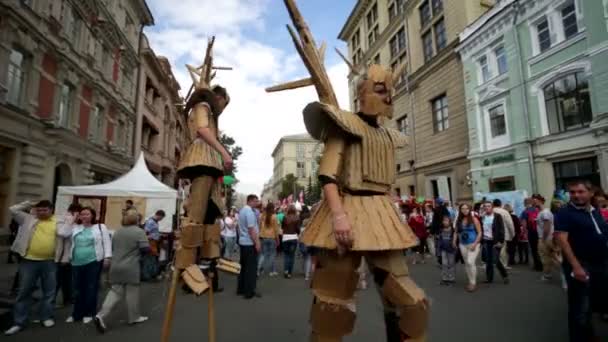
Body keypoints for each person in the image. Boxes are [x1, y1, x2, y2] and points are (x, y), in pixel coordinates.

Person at [268, 10, 427, 339]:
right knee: (333, 306)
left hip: (382, 217)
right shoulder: (344, 127)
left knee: (410, 303)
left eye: (389, 90)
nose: (388, 96)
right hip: (348, 214)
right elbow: (327, 176)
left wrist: (393, 209)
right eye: (380, 89)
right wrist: (339, 215)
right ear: (362, 94)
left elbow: (385, 185)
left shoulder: (387, 135)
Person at [555, 180, 608, 342]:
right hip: (581, 264)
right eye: (572, 192)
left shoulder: (594, 211)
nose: (576, 195)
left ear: (591, 193)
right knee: (580, 306)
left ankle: (589, 335)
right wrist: (576, 267)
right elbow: (562, 241)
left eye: (580, 192)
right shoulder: (565, 212)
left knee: (593, 303)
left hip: (600, 262)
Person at [5, 200, 62, 335]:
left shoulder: (58, 221)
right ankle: (19, 322)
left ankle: (46, 317)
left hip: (50, 262)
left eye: (44, 210)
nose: (41, 213)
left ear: (51, 210)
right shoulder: (27, 219)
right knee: (24, 291)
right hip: (29, 261)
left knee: (49, 292)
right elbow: (13, 209)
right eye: (39, 210)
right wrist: (29, 203)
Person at [95, 211, 150, 333]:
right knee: (132, 293)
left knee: (115, 292)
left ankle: (101, 315)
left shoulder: (117, 232)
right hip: (131, 267)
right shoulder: (139, 232)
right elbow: (145, 249)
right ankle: (134, 317)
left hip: (116, 266)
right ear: (136, 220)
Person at [64, 207, 111, 324]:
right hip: (76, 262)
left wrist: (107, 257)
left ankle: (89, 313)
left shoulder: (100, 227)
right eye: (82, 214)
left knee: (91, 287)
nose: (84, 216)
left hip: (93, 261)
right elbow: (63, 233)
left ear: (93, 216)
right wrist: (73, 219)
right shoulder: (75, 227)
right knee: (77, 288)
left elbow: (107, 242)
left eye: (87, 214)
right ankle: (76, 314)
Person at [55, 203, 81, 308]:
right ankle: (53, 300)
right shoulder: (64, 220)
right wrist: (71, 220)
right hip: (63, 257)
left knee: (68, 280)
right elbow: (63, 233)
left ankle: (68, 299)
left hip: (72, 258)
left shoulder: (76, 223)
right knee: (58, 280)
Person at [237, 195, 261, 299]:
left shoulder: (242, 211)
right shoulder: (250, 212)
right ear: (250, 201)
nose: (257, 203)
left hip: (243, 242)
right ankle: (249, 292)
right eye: (255, 201)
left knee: (243, 267)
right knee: (251, 269)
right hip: (249, 243)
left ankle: (241, 289)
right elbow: (251, 230)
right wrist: (257, 243)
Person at [455, 203, 482, 292]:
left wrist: (475, 243)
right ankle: (470, 281)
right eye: (463, 208)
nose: (465, 210)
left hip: (473, 244)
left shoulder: (474, 219)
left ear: (469, 209)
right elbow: (456, 231)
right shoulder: (459, 220)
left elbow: (480, 233)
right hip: (463, 244)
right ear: (460, 210)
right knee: (467, 263)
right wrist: (454, 241)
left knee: (470, 262)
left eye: (466, 208)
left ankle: (473, 282)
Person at [481, 201, 509, 284]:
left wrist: (501, 241)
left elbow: (501, 229)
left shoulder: (497, 216)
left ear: (492, 207)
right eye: (485, 206)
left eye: (488, 206)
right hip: (486, 241)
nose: (487, 208)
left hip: (495, 241)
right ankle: (489, 278)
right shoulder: (483, 217)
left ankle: (504, 275)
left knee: (495, 260)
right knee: (488, 260)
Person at [535, 196, 558, 281]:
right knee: (550, 257)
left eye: (535, 201)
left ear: (541, 201)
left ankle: (548, 274)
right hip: (547, 237)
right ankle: (548, 273)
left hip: (546, 238)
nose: (534, 203)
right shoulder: (542, 212)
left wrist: (543, 239)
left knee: (547, 257)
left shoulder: (545, 212)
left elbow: (547, 226)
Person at [258, 202, 280, 277]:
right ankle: (272, 271)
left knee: (263, 254)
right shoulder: (274, 216)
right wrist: (278, 239)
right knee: (272, 255)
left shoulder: (262, 216)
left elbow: (259, 226)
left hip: (263, 237)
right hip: (272, 237)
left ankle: (258, 269)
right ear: (273, 208)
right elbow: (276, 229)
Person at [492, 199, 515, 269]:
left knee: (492, 248)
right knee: (502, 250)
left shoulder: (490, 211)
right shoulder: (504, 212)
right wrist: (512, 234)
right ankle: (503, 265)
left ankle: (493, 262)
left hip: (491, 234)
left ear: (493, 204)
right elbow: (510, 224)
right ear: (500, 204)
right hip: (503, 234)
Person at [521, 196, 542, 271]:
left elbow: (524, 224)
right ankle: (542, 264)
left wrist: (525, 233)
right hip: (539, 231)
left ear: (525, 203)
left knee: (533, 249)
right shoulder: (537, 210)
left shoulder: (525, 212)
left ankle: (537, 266)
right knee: (539, 249)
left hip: (531, 232)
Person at [281, 205, 300, 279]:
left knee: (286, 255)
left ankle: (285, 270)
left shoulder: (285, 217)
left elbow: (282, 227)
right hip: (293, 238)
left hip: (285, 238)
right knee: (292, 256)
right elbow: (298, 229)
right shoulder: (297, 218)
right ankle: (289, 273)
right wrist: (298, 233)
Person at [437, 216, 456, 285]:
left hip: (451, 250)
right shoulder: (441, 230)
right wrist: (438, 251)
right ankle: (444, 278)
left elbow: (456, 240)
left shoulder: (453, 231)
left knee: (451, 264)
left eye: (446, 221)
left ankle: (451, 278)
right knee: (444, 264)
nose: (445, 222)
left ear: (450, 222)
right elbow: (439, 241)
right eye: (444, 221)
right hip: (443, 249)